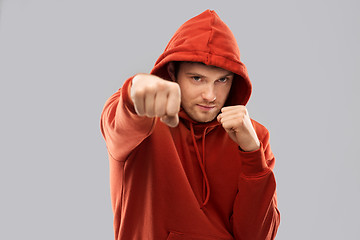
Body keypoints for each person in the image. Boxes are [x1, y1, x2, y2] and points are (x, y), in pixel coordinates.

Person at [100, 9, 280, 240]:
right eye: (197, 78)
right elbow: (118, 123)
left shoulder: (253, 136)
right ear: (173, 73)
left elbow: (258, 236)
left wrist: (252, 154)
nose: (210, 95)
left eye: (222, 80)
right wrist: (133, 94)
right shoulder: (143, 121)